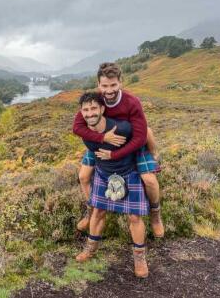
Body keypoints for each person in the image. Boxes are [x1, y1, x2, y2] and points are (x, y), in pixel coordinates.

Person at [73, 62, 164, 238]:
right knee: (83, 176)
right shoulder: (95, 101)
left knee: (150, 180)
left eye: (113, 85)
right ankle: (90, 211)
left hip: (130, 145)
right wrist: (102, 138)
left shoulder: (132, 102)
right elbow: (77, 127)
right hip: (101, 143)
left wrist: (114, 155)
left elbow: (139, 137)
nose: (109, 90)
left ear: (120, 82)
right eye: (105, 85)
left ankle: (155, 214)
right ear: (99, 84)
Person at [75, 92, 149, 278]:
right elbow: (95, 151)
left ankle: (139, 258)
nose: (90, 113)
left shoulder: (122, 127)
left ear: (102, 109)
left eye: (93, 108)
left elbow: (142, 136)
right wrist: (103, 141)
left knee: (134, 217)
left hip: (129, 172)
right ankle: (91, 249)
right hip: (104, 173)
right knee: (98, 212)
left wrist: (149, 156)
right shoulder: (86, 133)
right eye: (86, 110)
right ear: (81, 112)